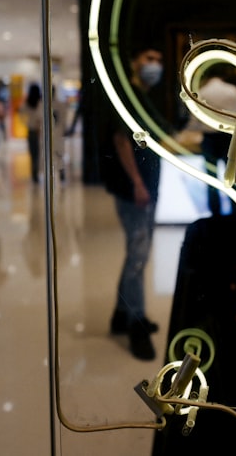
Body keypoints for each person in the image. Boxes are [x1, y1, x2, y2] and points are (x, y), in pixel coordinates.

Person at [99, 45, 165, 360]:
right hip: (134, 189)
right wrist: (138, 183)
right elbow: (121, 139)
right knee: (138, 256)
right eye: (148, 58)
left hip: (146, 186)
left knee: (136, 253)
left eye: (159, 60)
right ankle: (136, 325)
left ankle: (120, 315)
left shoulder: (144, 97)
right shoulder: (126, 95)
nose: (155, 65)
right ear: (134, 61)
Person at [184, 64, 236, 216]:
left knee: (212, 179)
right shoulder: (232, 90)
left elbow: (195, 120)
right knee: (232, 179)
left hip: (210, 138)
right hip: (229, 138)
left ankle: (215, 215)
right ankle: (235, 213)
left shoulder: (202, 92)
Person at [19, 83, 43, 184]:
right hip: (40, 131)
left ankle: (35, 174)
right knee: (38, 153)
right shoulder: (41, 102)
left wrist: (28, 123)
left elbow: (21, 115)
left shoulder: (27, 103)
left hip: (32, 130)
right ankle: (36, 173)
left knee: (34, 154)